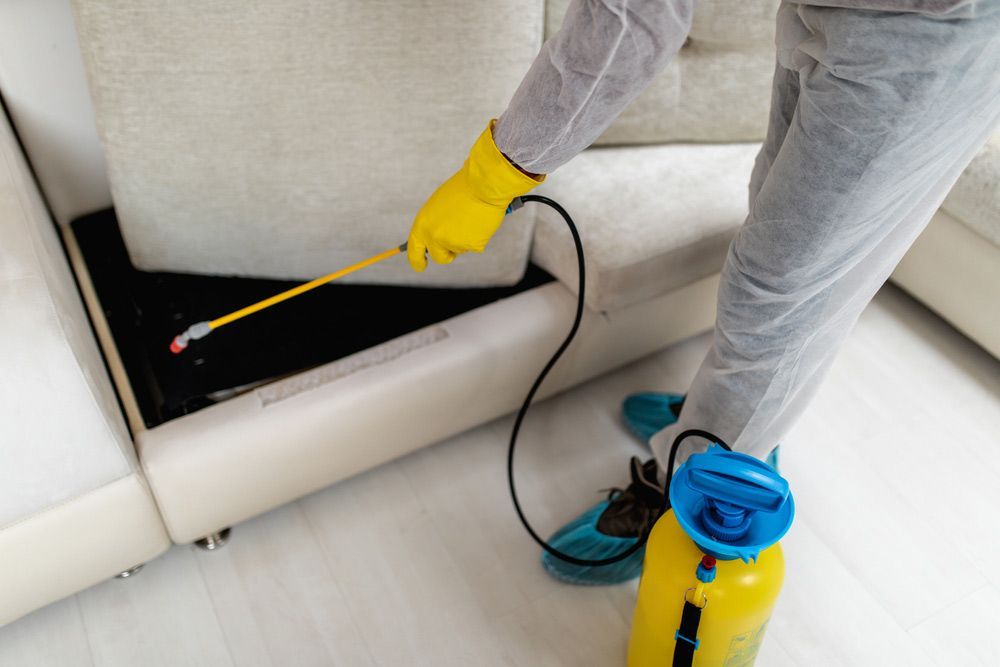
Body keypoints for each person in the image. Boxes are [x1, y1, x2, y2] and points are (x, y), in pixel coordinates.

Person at [406, 0, 1000, 585]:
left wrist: (493, 177)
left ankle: (697, 487)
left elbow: (630, 17)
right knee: (773, 225)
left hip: (935, 36)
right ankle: (723, 415)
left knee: (780, 291)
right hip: (834, 10)